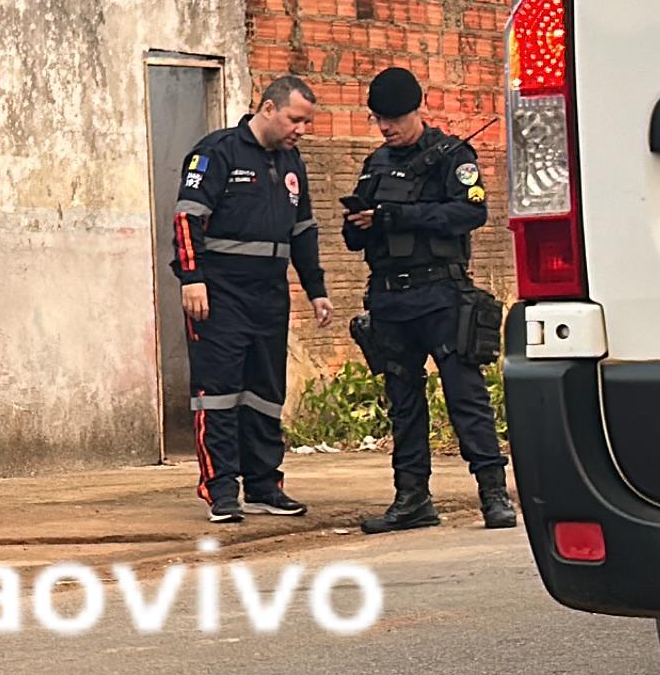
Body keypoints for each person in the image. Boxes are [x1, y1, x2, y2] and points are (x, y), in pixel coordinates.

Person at [344, 65, 517, 533]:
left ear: (415, 111)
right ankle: (412, 498)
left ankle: (494, 495)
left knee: (466, 397)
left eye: (394, 119)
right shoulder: (376, 164)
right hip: (390, 300)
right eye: (379, 119)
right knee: (403, 401)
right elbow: (353, 238)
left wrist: (399, 217)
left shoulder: (451, 156)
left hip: (441, 294)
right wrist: (363, 222)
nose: (386, 128)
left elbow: (469, 212)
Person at [174, 76, 334, 523]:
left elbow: (303, 231)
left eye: (306, 122)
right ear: (268, 109)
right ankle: (221, 490)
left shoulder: (291, 162)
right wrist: (192, 278)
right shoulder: (217, 152)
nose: (301, 129)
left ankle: (264, 485)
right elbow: (187, 219)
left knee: (265, 394)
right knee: (218, 395)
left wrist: (316, 289)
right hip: (219, 296)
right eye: (295, 119)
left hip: (269, 296)